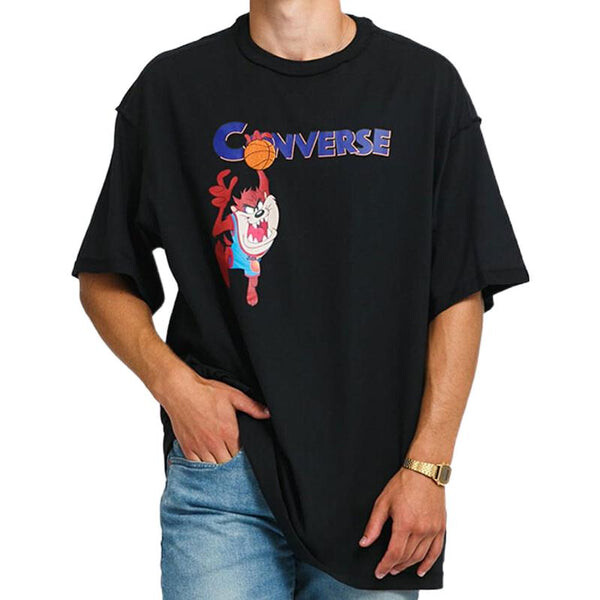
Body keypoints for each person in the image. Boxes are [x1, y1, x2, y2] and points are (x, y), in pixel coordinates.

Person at [73, 0, 529, 598]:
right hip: (225, 470)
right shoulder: (172, 89)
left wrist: (429, 467)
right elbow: (106, 274)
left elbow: (459, 289)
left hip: (377, 485)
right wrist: (174, 385)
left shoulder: (423, 86)